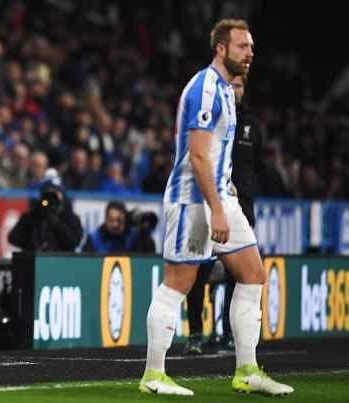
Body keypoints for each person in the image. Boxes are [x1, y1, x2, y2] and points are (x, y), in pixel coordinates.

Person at [139, 20, 293, 396]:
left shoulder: (226, 90)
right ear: (221, 49)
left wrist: (228, 190)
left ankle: (247, 370)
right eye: (243, 46)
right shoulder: (206, 88)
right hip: (194, 201)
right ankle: (153, 374)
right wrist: (216, 209)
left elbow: (214, 152)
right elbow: (196, 155)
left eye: (252, 46)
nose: (251, 53)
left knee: (254, 273)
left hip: (220, 196)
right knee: (179, 282)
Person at [182, 74, 263, 355]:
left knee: (245, 274)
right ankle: (194, 333)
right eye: (232, 86)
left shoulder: (251, 123)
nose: (235, 90)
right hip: (205, 204)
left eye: (240, 86)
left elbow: (255, 168)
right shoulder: (211, 107)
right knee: (189, 275)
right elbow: (199, 154)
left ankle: (234, 338)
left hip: (238, 207)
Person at [8, 169, 83, 252]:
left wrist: (56, 223)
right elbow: (14, 238)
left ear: (62, 195)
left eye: (56, 192)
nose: (52, 197)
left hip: (61, 262)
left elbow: (73, 244)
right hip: (36, 262)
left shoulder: (71, 217)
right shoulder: (33, 215)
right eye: (48, 193)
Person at [82, 200, 157, 253]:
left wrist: (145, 236)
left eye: (119, 220)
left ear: (125, 220)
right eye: (111, 220)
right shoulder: (94, 239)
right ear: (105, 219)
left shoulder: (134, 237)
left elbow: (149, 257)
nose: (115, 225)